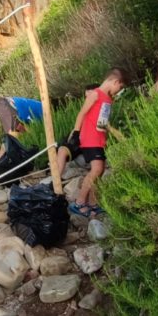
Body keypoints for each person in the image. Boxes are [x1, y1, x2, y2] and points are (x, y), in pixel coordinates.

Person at [52, 69, 126, 218]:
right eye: (120, 87)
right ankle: (79, 203)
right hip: (90, 138)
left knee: (101, 170)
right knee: (96, 169)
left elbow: (103, 122)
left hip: (99, 139)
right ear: (115, 82)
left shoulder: (107, 98)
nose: (119, 91)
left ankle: (93, 203)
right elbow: (82, 113)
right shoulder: (95, 94)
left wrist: (111, 135)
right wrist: (76, 132)